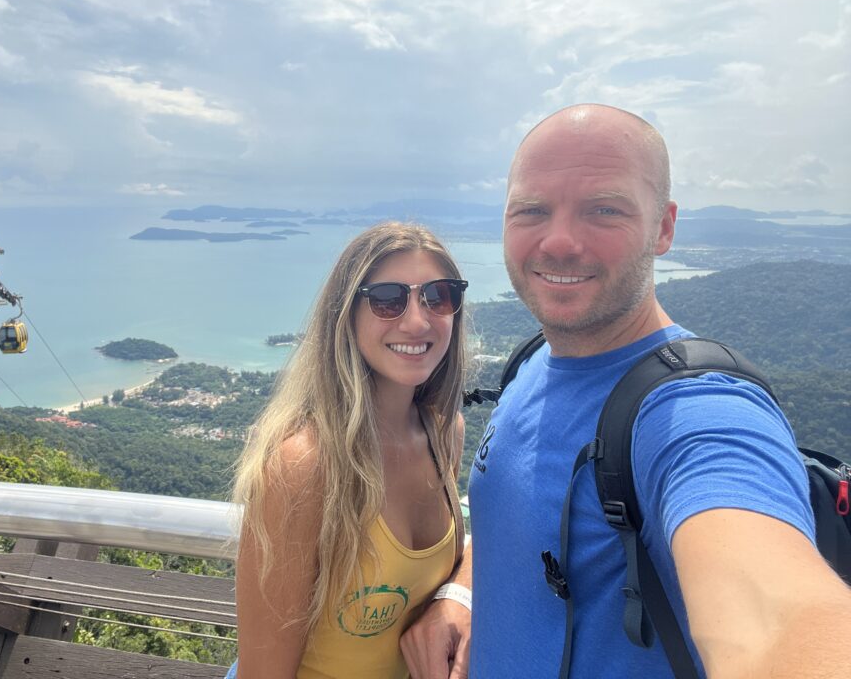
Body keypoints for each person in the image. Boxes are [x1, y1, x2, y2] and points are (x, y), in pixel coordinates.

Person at [400, 104, 851, 677]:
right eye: (532, 210)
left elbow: (775, 621)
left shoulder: (697, 413)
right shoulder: (534, 360)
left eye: (603, 210)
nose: (559, 241)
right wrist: (463, 593)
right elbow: (518, 520)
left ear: (663, 227)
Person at [230, 222, 469, 678]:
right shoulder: (305, 467)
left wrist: (455, 596)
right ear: (346, 315)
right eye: (387, 298)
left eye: (438, 295)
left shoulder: (443, 434)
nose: (418, 320)